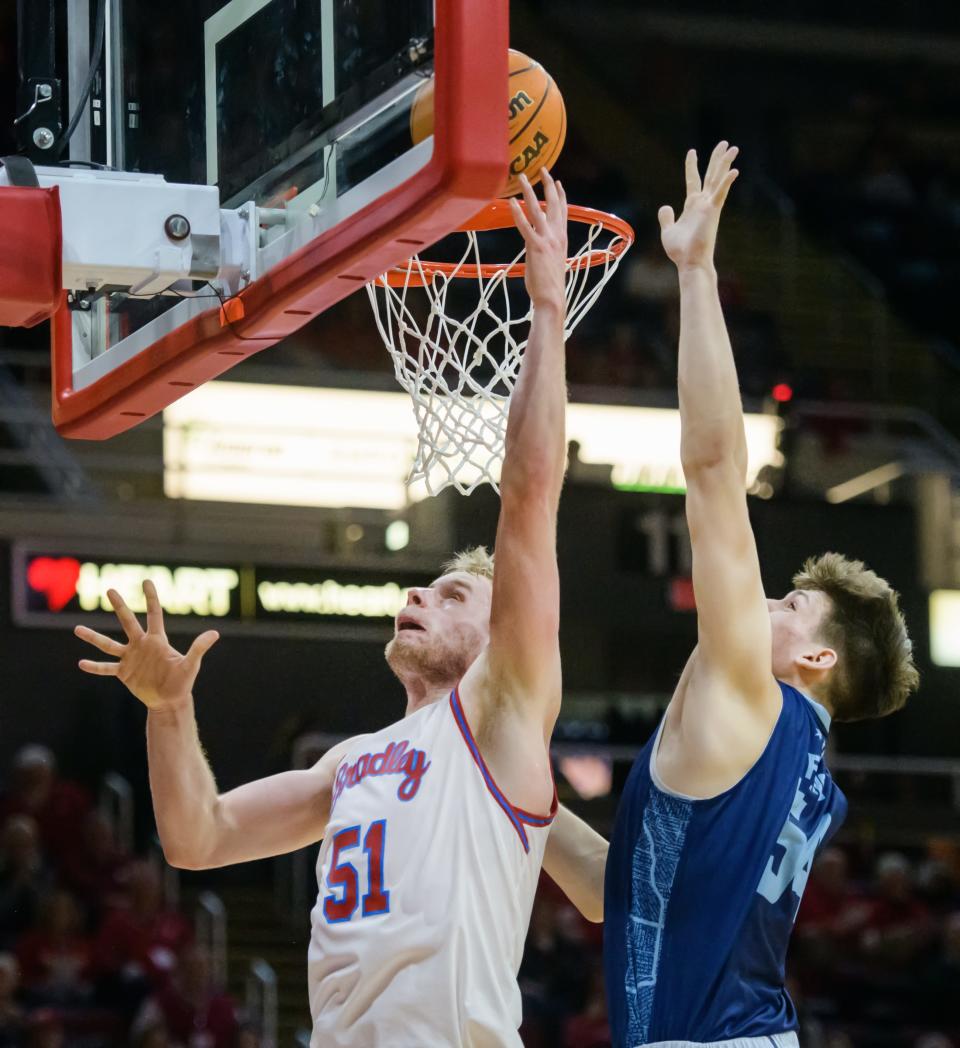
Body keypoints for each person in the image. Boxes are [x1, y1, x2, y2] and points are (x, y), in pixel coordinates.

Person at [74, 170, 570, 1048]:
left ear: (505, 637)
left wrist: (543, 307)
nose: (415, 594)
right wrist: (169, 709)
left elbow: (529, 494)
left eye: (452, 593)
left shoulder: (497, 716)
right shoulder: (351, 761)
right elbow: (200, 836)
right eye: (424, 584)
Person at [544, 142, 919, 1046]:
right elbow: (614, 890)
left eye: (792, 607)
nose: (767, 606)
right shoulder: (798, 772)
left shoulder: (756, 697)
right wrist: (498, 773)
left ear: (816, 659)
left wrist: (699, 274)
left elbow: (714, 469)